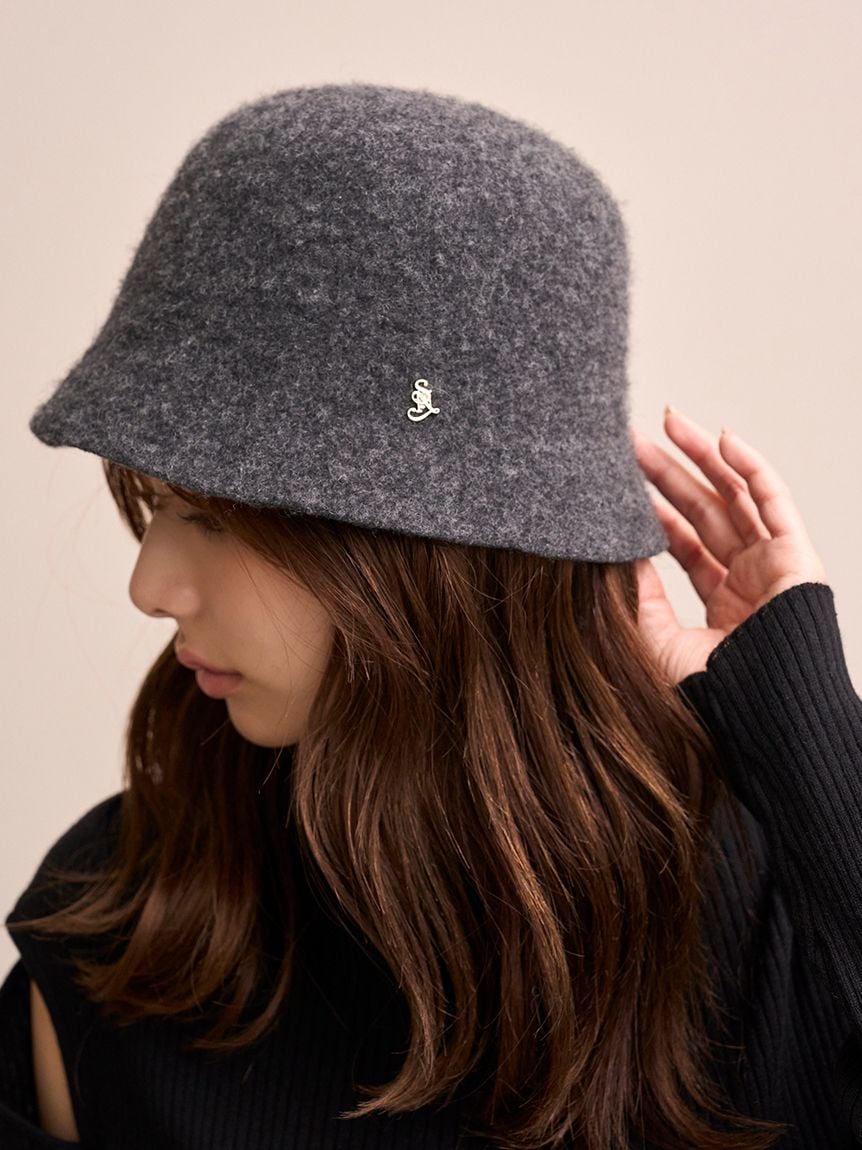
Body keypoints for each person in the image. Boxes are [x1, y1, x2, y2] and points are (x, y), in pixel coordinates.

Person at [2, 82, 860, 1150]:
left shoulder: (751, 916)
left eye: (213, 519)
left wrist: (807, 743)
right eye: (157, 506)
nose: (150, 587)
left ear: (427, 562)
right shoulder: (127, 925)